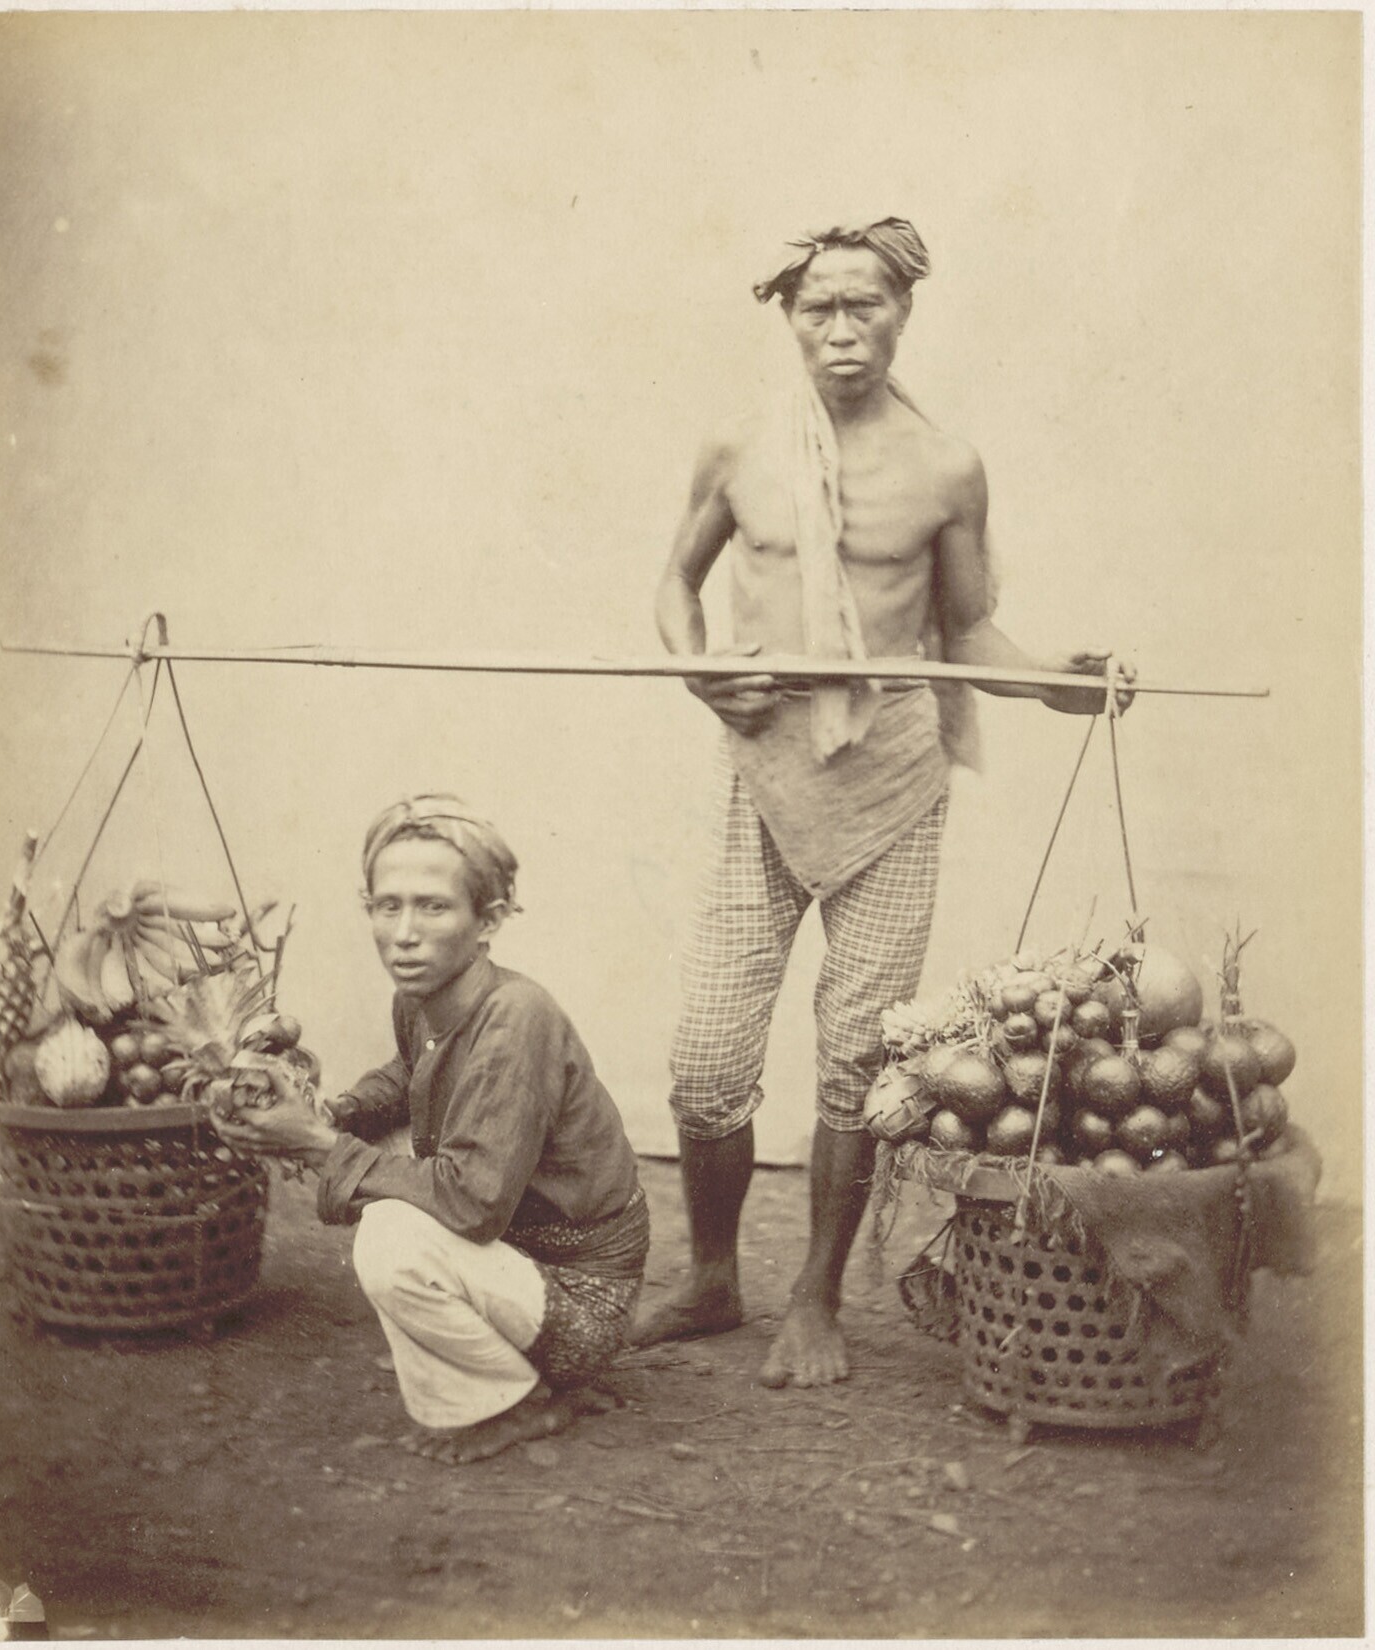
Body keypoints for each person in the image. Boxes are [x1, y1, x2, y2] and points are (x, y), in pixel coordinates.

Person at [633, 216, 1133, 1388]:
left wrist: (1055, 683)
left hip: (894, 779)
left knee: (860, 1056)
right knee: (707, 1061)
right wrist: (699, 669)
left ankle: (815, 1300)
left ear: (903, 312)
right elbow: (675, 586)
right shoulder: (740, 445)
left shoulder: (946, 467)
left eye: (865, 305)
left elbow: (966, 632)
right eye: (819, 307)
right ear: (788, 316)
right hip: (763, 767)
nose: (843, 328)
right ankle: (713, 1278)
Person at [214, 795, 649, 1464]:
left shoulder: (516, 1016)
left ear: (489, 920)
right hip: (520, 1267)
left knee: (392, 1234)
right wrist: (336, 1115)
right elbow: (408, 1074)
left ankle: (521, 1399)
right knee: (393, 1194)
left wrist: (316, 1143)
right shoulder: (423, 998)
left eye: (434, 907)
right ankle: (496, 1373)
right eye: (388, 906)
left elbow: (473, 1203)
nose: (405, 933)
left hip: (581, 1302)